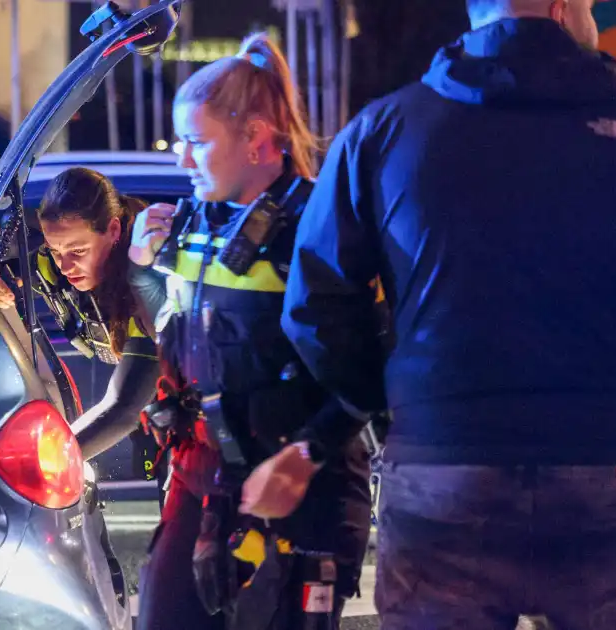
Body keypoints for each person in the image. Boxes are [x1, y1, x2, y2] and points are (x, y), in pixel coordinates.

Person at [272, 1, 616, 628]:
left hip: (442, 463)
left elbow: (315, 305)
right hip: (602, 453)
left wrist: (395, 393)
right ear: (564, 10)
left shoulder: (385, 129)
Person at [128, 33, 371, 629]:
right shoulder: (191, 222)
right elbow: (176, 331)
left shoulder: (314, 229)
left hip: (299, 489)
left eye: (196, 142)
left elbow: (371, 372)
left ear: (258, 139)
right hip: (204, 480)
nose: (180, 159)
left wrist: (305, 456)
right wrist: (138, 266)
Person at [0, 166, 169, 469]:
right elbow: (6, 265)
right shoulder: (47, 261)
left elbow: (123, 409)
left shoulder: (146, 282)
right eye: (56, 250)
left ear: (113, 230)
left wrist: (44, 465)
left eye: (78, 250)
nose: (66, 265)